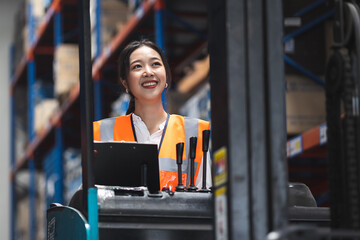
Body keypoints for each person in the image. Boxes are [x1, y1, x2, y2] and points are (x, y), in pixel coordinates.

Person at [93, 39, 211, 191]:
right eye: (137, 66)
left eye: (155, 64)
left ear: (166, 77)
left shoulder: (194, 131)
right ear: (125, 84)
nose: (148, 72)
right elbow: (92, 197)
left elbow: (205, 197)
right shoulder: (100, 132)